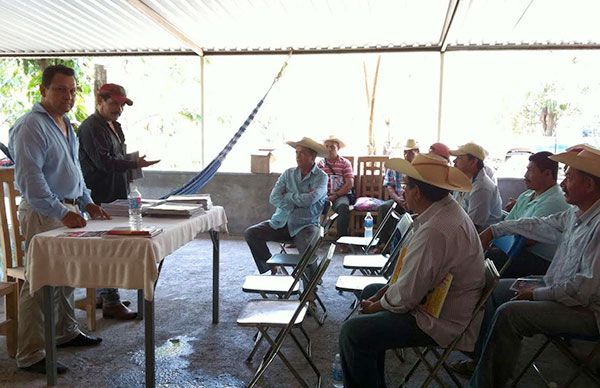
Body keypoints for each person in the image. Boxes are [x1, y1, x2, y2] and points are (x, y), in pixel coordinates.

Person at [339, 152, 485, 388]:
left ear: (418, 192)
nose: (403, 190)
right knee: (371, 291)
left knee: (353, 333)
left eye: (407, 185)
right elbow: (412, 277)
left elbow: (407, 297)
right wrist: (383, 294)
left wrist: (379, 304)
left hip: (440, 317)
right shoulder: (444, 211)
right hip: (438, 301)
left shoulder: (436, 230)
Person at [468, 145, 600, 387]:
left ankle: (485, 383)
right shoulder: (576, 213)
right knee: (495, 290)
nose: (562, 184)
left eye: (569, 178)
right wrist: (495, 229)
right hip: (560, 290)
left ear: (590, 185)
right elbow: (537, 224)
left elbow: (583, 289)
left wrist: (537, 293)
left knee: (510, 314)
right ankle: (483, 364)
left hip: (587, 311)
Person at [8, 64, 111, 374]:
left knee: (66, 275)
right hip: (44, 213)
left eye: (72, 90)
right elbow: (31, 180)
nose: (68, 96)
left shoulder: (65, 124)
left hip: (68, 210)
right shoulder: (31, 126)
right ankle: (31, 352)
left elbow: (74, 173)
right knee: (39, 281)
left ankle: (64, 332)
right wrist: (61, 212)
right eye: (60, 89)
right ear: (43, 91)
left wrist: (87, 202)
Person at [78, 83, 159, 320]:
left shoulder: (114, 126)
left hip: (117, 191)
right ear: (99, 102)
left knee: (114, 243)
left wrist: (132, 162)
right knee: (107, 248)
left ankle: (105, 294)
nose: (118, 109)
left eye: (121, 105)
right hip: (100, 195)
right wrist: (133, 164)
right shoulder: (91, 127)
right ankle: (111, 301)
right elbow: (104, 162)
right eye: (113, 103)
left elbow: (117, 157)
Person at [245, 137, 327, 279]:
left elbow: (310, 200)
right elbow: (274, 197)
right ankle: (272, 267)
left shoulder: (321, 177)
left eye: (302, 153)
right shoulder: (288, 173)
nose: (298, 156)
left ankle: (311, 290)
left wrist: (288, 196)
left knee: (307, 248)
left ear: (312, 156)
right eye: (297, 153)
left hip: (305, 224)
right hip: (280, 222)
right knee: (251, 233)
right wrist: (299, 198)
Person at [487, 151, 569, 278]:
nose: (525, 176)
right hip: (515, 251)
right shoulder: (526, 195)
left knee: (486, 260)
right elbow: (508, 223)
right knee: (483, 256)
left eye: (531, 171)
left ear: (547, 174)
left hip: (540, 260)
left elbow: (528, 239)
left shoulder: (555, 200)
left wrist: (499, 233)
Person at [374, 139, 419, 250]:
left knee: (415, 213)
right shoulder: (396, 166)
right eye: (405, 152)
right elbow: (389, 186)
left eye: (410, 152)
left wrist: (410, 201)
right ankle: (383, 243)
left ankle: (405, 245)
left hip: (415, 200)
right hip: (399, 199)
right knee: (384, 207)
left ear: (417, 151)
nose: (406, 155)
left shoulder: (420, 168)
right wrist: (398, 199)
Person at [451, 142, 503, 231]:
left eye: (459, 158)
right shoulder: (464, 180)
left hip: (479, 238)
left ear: (473, 162)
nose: (454, 161)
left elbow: (472, 226)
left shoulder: (482, 188)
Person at [317, 135, 354, 249]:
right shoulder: (320, 164)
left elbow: (349, 184)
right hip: (323, 195)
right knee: (309, 204)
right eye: (327, 147)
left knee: (343, 206)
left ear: (338, 148)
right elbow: (315, 182)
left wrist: (336, 195)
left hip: (340, 195)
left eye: (332, 147)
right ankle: (310, 238)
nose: (329, 149)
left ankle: (342, 241)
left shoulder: (345, 163)